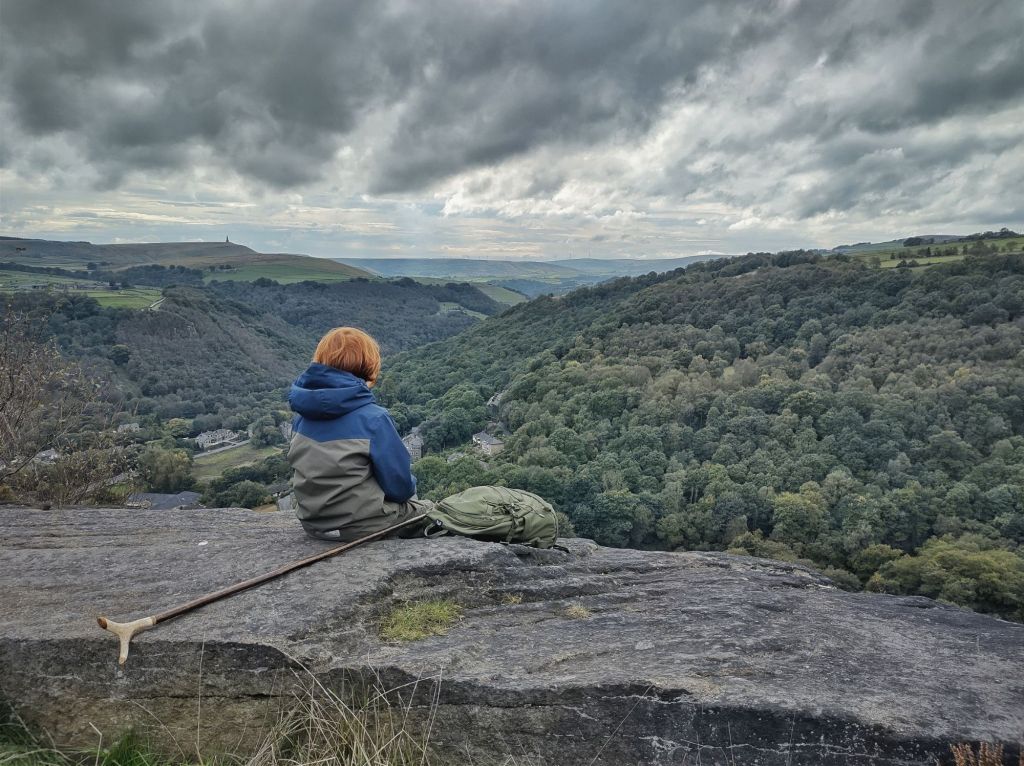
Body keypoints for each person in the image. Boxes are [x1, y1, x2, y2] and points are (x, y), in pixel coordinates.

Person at [286, 327, 431, 541]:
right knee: (430, 511)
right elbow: (400, 488)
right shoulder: (374, 418)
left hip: (313, 525)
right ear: (368, 364)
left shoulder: (301, 416)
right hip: (363, 527)